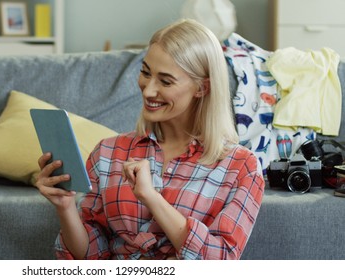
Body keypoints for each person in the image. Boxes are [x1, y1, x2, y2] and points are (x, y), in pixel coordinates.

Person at [35, 19, 264, 260]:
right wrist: (66, 208)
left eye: (165, 81)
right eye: (146, 73)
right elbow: (91, 257)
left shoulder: (241, 167)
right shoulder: (108, 152)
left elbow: (219, 262)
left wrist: (152, 197)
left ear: (202, 88)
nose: (148, 90)